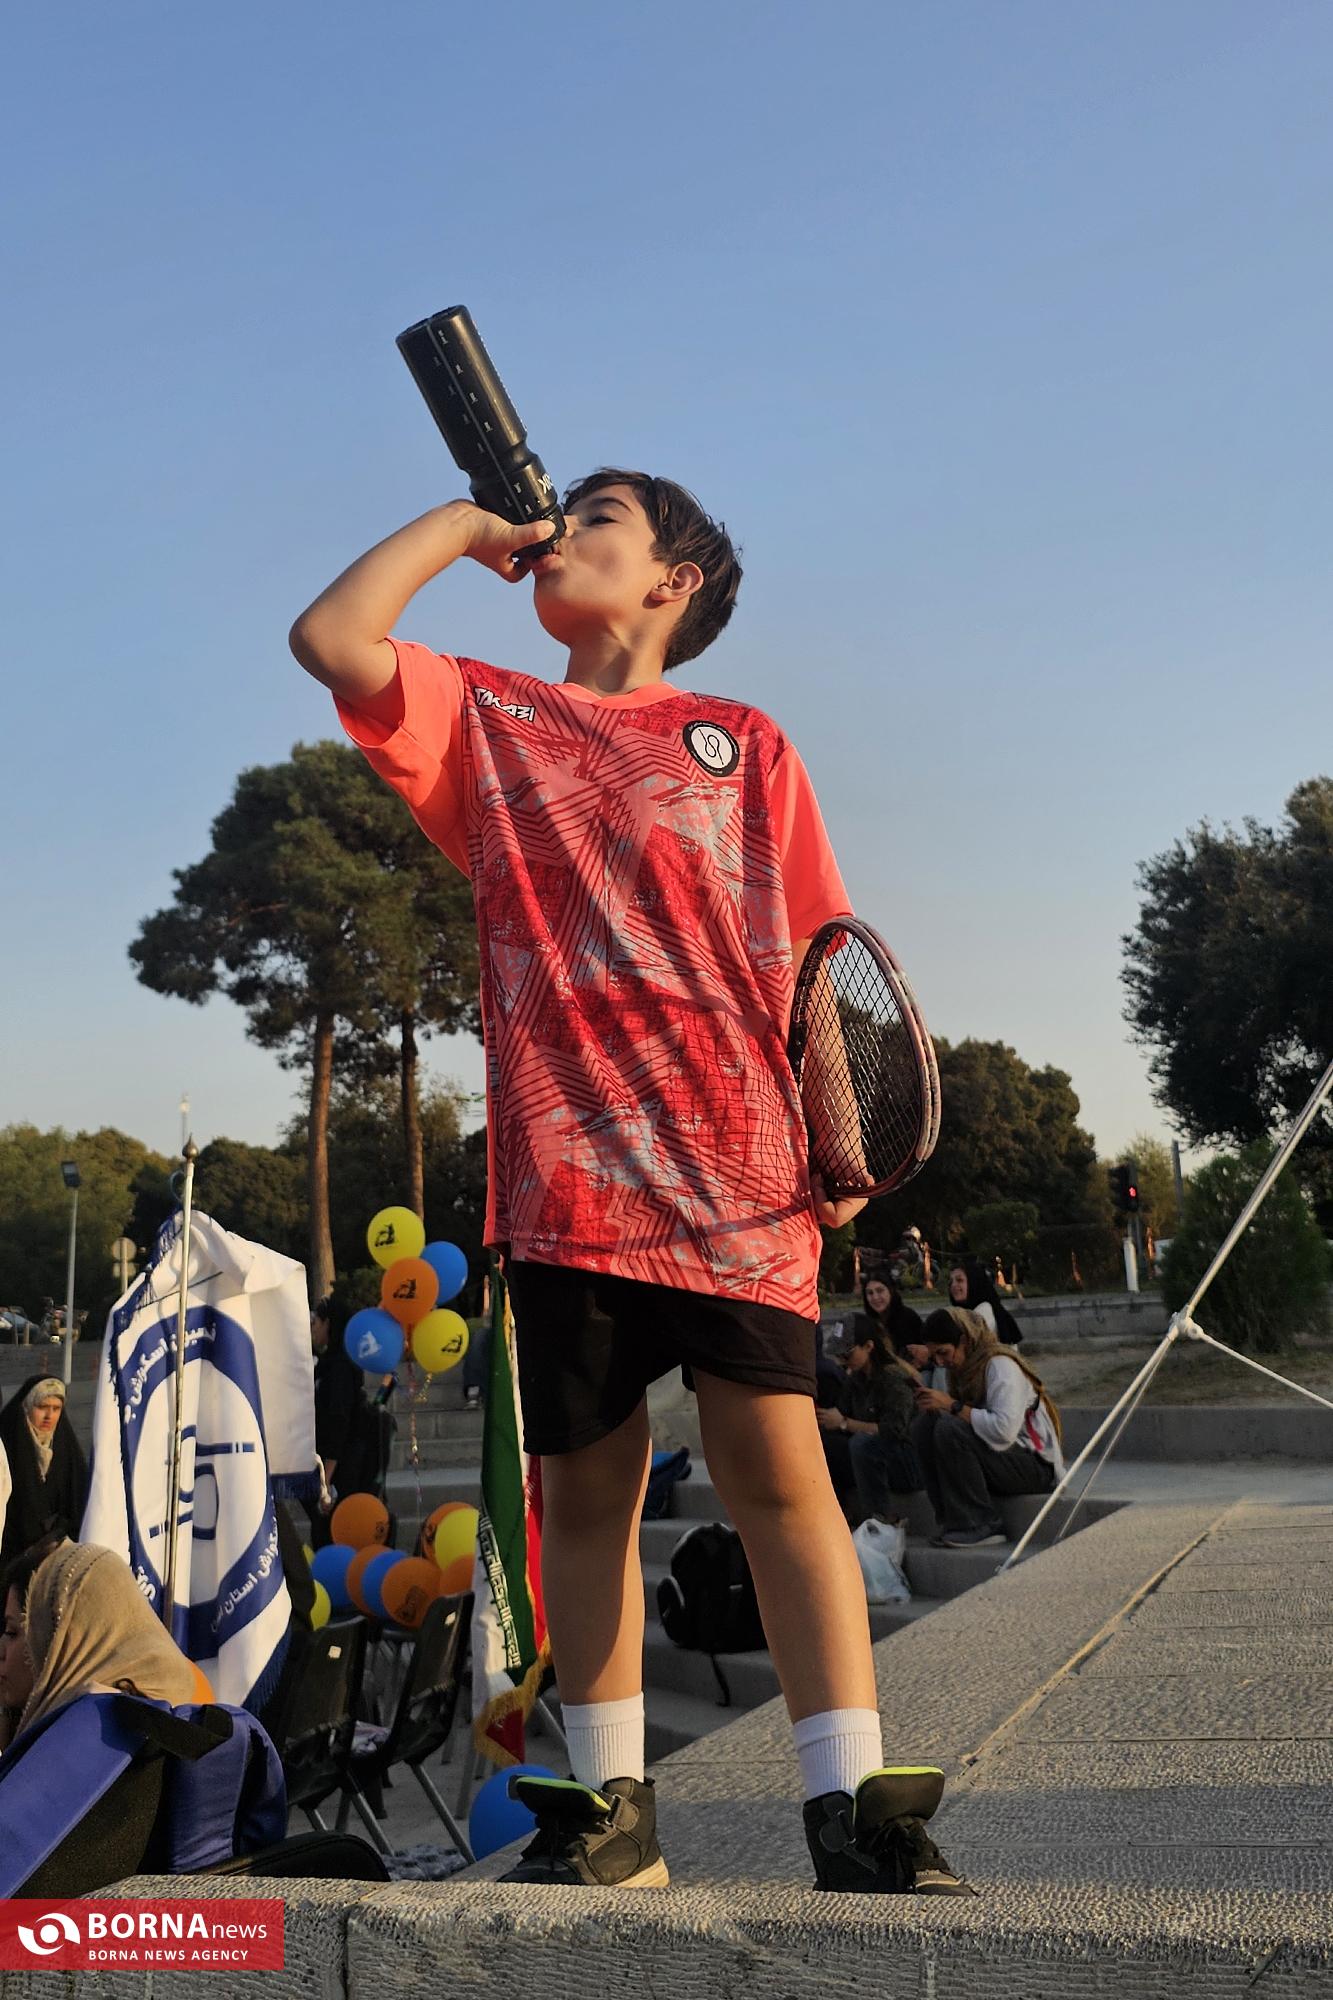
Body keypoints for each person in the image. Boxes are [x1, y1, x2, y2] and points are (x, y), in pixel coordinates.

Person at [291, 470, 970, 1896]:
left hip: (740, 1170)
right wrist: (464, 529)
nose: (563, 531)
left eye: (598, 516)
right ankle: (612, 1812)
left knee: (777, 1472)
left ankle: (851, 1806)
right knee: (585, 1490)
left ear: (674, 581)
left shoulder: (743, 741)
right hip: (568, 1181)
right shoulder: (488, 717)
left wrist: (840, 1151)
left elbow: (813, 955)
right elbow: (335, 638)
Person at [0, 1543, 284, 1894]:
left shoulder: (88, 1738)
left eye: (15, 1632)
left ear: (58, 1642)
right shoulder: (190, 1713)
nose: (3, 1649)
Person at [911, 1307, 1064, 1548]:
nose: (940, 1362)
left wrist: (952, 1406)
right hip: (999, 1459)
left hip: (1034, 1466)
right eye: (934, 1356)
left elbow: (1004, 1431)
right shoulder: (962, 1371)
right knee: (925, 1426)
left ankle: (981, 1524)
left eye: (943, 1352)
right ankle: (952, 1520)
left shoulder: (1000, 1365)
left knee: (949, 1428)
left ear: (964, 1341)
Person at [817, 1330, 923, 1526]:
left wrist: (844, 1423)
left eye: (847, 1354)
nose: (843, 1361)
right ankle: (839, 1511)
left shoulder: (894, 1377)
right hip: (875, 1455)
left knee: (862, 1443)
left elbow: (893, 1431)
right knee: (826, 1443)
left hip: (907, 1460)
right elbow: (841, 1411)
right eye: (839, 1356)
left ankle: (880, 1518)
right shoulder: (856, 1378)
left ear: (868, 1346)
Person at [308, 1293, 380, 1548]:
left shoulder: (340, 1367)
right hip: (333, 1462)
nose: (312, 1328)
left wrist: (326, 1478)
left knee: (331, 1535)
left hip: (343, 1467)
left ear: (328, 1324)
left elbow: (339, 1422)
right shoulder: (329, 1363)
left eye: (316, 1322)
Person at [0, 1377, 88, 1566]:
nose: (49, 1416)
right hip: (11, 1560)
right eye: (42, 1407)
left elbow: (78, 1503)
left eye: (56, 1409)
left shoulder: (67, 1448)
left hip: (59, 1560)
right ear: (26, 1407)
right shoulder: (7, 1445)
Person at [947, 1261, 1023, 1346]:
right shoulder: (964, 1312)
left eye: (959, 1280)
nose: (953, 1285)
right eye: (951, 1282)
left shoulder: (984, 1311)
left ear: (974, 1282)